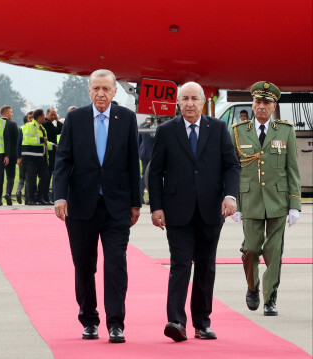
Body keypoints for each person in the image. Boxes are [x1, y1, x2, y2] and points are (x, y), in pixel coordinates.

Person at [53, 69, 141, 343]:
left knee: (116, 265)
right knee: (84, 266)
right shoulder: (75, 119)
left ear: (115, 91)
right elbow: (63, 161)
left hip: (117, 207)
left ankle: (116, 323)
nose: (101, 94)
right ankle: (89, 318)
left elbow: (132, 162)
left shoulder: (126, 119)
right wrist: (60, 196)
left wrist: (136, 203)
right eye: (96, 89)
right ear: (89, 91)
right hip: (81, 207)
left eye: (106, 89)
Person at [148, 81, 240, 342]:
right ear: (178, 102)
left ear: (203, 102)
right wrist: (156, 207)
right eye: (185, 98)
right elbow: (155, 174)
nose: (189, 103)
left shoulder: (219, 128)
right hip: (177, 212)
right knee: (179, 265)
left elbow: (231, 166)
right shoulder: (166, 131)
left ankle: (202, 323)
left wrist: (230, 196)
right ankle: (176, 321)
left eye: (194, 99)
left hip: (211, 211)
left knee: (206, 267)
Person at [229, 81, 301, 316]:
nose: (261, 107)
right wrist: (234, 202)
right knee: (250, 249)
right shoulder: (238, 131)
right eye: (258, 102)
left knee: (274, 252)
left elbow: (292, 169)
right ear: (252, 104)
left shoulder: (286, 130)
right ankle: (253, 286)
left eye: (266, 103)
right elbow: (232, 169)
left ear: (274, 106)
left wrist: (295, 204)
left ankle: (270, 299)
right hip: (250, 201)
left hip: (278, 202)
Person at [18, 109, 53, 205]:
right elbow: (28, 140)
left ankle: (38, 197)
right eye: (43, 116)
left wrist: (54, 146)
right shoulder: (30, 126)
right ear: (39, 117)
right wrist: (42, 139)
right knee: (31, 180)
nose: (44, 118)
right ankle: (31, 199)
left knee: (46, 177)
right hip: (30, 159)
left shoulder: (42, 128)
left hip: (41, 158)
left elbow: (45, 143)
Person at [42, 108, 62, 204]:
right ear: (47, 114)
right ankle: (47, 196)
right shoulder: (47, 124)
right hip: (50, 151)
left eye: (55, 115)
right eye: (52, 115)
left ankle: (46, 196)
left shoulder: (48, 123)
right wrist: (58, 121)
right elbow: (59, 130)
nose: (54, 117)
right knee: (49, 174)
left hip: (51, 150)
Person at [0, 105, 19, 206]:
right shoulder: (12, 124)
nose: (12, 114)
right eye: (11, 112)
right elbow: (17, 140)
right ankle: (8, 193)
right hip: (11, 155)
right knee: (10, 176)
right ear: (6, 113)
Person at [15, 111, 33, 204]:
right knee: (26, 177)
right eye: (30, 118)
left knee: (23, 177)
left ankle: (19, 191)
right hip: (26, 157)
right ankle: (26, 197)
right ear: (27, 119)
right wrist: (19, 157)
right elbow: (18, 144)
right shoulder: (23, 128)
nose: (31, 120)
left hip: (25, 157)